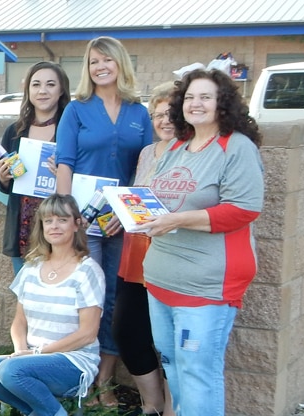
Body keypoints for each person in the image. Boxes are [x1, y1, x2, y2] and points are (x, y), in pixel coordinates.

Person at [141, 68, 265, 416]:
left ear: (222, 103)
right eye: (191, 97)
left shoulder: (236, 147)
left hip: (207, 284)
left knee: (198, 373)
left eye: (206, 97)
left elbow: (244, 209)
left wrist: (177, 220)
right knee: (175, 369)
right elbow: (160, 198)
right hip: (161, 279)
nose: (196, 104)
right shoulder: (177, 145)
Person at [55, 36, 153, 406]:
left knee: (115, 299)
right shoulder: (76, 109)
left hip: (121, 222)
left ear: (120, 64)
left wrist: (125, 215)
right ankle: (82, 376)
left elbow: (146, 167)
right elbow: (65, 163)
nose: (100, 67)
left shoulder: (138, 112)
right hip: (83, 218)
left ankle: (105, 380)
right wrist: (69, 215)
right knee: (87, 298)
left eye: (107, 60)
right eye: (94, 61)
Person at [0, 194, 105, 416]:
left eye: (62, 220)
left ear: (76, 224)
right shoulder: (32, 267)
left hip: (73, 362)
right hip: (30, 358)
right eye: (48, 220)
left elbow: (87, 335)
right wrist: (21, 351)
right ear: (41, 226)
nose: (55, 226)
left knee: (11, 371)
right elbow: (19, 322)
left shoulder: (87, 270)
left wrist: (37, 353)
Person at [112, 83, 177, 416]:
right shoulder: (147, 152)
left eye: (171, 113)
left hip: (173, 256)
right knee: (126, 330)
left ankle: (171, 408)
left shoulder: (194, 151)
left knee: (170, 341)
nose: (164, 120)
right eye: (158, 114)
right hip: (136, 254)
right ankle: (152, 404)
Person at [0, 61, 71, 275]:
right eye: (36, 84)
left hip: (58, 224)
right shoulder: (14, 131)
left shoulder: (72, 130)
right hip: (23, 227)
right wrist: (3, 178)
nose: (42, 91)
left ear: (61, 90)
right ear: (28, 90)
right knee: (25, 294)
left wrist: (64, 175)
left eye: (50, 84)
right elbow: (6, 188)